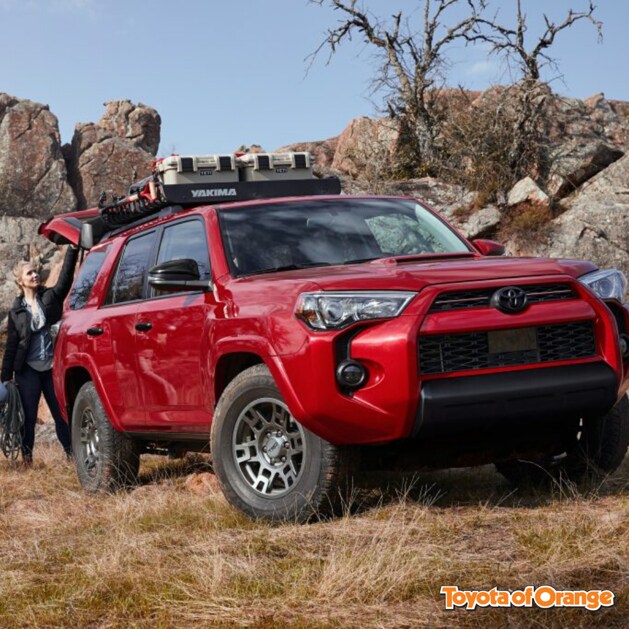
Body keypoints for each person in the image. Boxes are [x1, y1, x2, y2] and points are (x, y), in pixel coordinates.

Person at [1, 246, 79, 466]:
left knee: (61, 414)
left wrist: (72, 251)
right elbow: (12, 346)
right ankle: (27, 459)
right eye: (29, 273)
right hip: (28, 371)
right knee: (28, 416)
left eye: (35, 271)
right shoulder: (16, 311)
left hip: (52, 368)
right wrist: (6, 377)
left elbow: (64, 281)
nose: (35, 275)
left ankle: (72, 456)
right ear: (21, 281)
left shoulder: (49, 297)